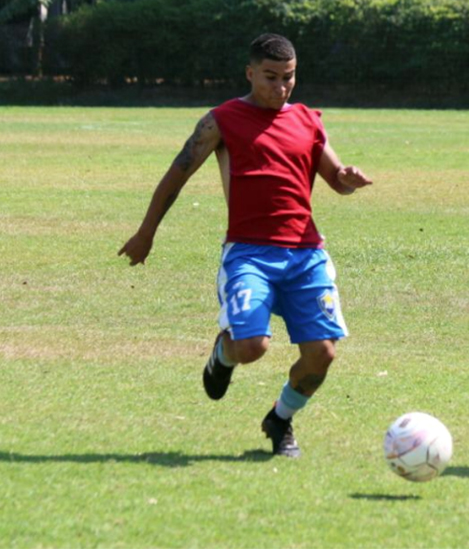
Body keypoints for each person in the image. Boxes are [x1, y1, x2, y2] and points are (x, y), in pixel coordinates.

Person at [118, 33, 372, 458]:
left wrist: (348, 179)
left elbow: (336, 181)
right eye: (270, 77)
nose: (281, 87)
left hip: (306, 255)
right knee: (253, 347)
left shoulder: (309, 119)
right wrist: (146, 232)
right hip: (249, 253)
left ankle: (280, 418)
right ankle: (224, 352)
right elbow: (177, 174)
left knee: (322, 356)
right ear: (250, 72)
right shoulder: (222, 119)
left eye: (288, 77)